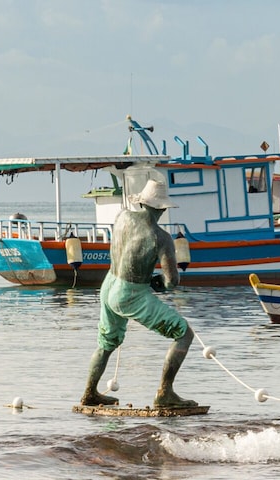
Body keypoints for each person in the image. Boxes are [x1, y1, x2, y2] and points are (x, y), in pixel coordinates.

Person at [79, 166, 198, 409]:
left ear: (142, 203)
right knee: (184, 334)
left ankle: (89, 393)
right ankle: (165, 392)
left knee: (106, 343)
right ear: (162, 208)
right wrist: (160, 284)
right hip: (131, 293)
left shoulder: (122, 216)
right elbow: (171, 281)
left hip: (109, 285)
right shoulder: (161, 237)